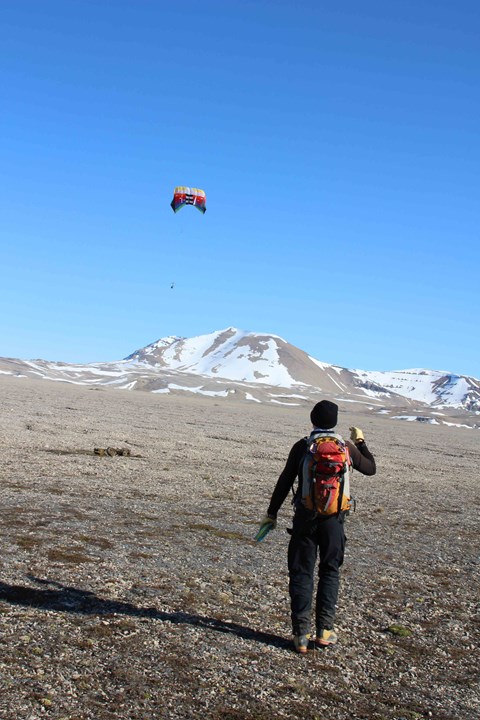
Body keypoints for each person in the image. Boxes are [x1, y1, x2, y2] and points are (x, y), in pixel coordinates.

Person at [257, 399, 376, 653]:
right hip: (334, 520)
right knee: (330, 571)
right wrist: (362, 442)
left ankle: (301, 635)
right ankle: (324, 631)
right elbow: (371, 469)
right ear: (335, 422)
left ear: (312, 420)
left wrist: (271, 513)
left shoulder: (303, 446)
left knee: (302, 573)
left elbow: (285, 480)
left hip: (305, 518)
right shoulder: (346, 448)